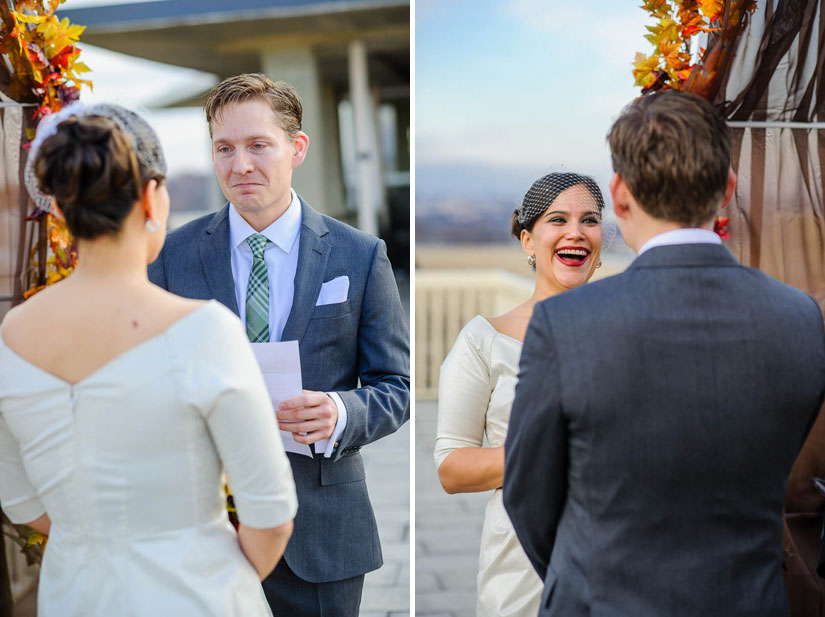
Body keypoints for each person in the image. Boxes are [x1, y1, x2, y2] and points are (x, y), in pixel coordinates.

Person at [503, 90, 825, 617]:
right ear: (727, 190)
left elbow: (527, 496)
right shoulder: (800, 318)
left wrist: (584, 579)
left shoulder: (566, 324)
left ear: (621, 194)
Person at [0, 103, 297, 617]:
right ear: (150, 196)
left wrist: (96, 537)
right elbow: (269, 515)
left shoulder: (12, 335)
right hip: (197, 596)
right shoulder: (204, 331)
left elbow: (21, 502)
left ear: (61, 205)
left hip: (74, 596)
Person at [148, 73, 410, 617]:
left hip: (322, 533)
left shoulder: (359, 256)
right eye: (224, 148)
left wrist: (341, 410)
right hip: (203, 531)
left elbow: (397, 386)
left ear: (297, 148)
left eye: (257, 145)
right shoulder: (171, 257)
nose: (240, 164)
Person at [434, 172, 605, 617]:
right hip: (522, 568)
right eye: (558, 220)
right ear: (528, 241)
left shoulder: (626, 331)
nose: (576, 232)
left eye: (590, 220)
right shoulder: (483, 340)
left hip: (617, 563)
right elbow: (452, 468)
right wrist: (552, 450)